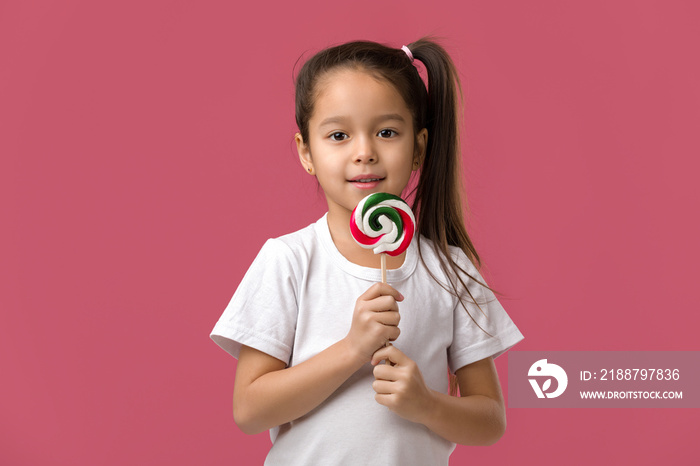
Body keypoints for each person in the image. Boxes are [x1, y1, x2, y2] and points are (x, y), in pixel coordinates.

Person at [210, 37, 524, 465]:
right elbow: (249, 411)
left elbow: (490, 421)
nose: (364, 152)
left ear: (419, 148)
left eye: (387, 132)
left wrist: (426, 404)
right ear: (307, 152)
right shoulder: (288, 261)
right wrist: (352, 349)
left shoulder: (451, 270)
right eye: (338, 135)